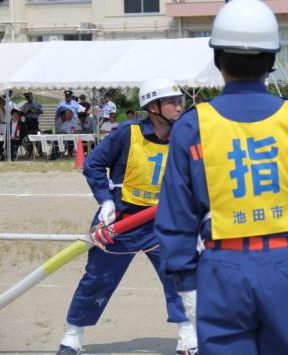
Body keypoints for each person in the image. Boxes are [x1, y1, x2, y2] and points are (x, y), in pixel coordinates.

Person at [154, 0, 288, 355]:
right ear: (271, 61)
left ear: (218, 59)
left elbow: (176, 217)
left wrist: (187, 285)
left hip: (220, 268)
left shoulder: (193, 125)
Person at [55, 78, 196, 355]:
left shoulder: (186, 135)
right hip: (121, 220)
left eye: (180, 101)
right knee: (97, 278)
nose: (179, 107)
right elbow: (94, 164)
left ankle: (188, 336)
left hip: (163, 222)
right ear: (153, 107)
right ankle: (73, 334)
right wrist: (105, 201)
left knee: (180, 276)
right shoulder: (126, 134)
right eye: (172, 102)